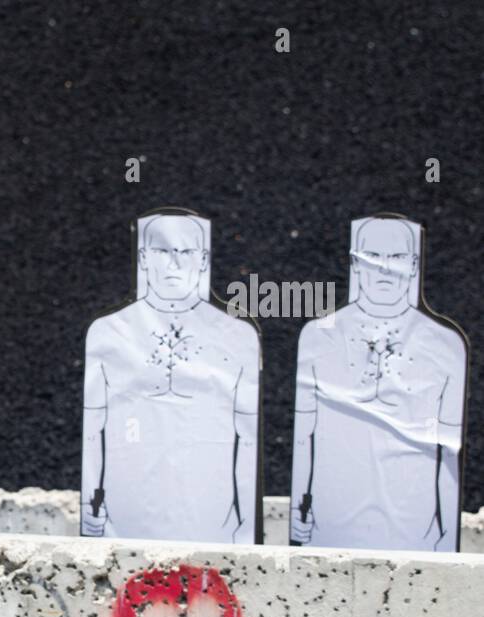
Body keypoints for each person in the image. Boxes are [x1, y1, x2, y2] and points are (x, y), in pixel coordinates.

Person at [81, 213, 260, 543]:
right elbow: (94, 432)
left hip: (213, 524)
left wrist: (245, 527)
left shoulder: (238, 338)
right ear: (144, 258)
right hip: (124, 526)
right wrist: (91, 510)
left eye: (186, 252)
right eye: (163, 251)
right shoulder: (107, 334)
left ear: (203, 259)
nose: (174, 263)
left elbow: (246, 441)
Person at [290, 216, 465, 550]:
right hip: (329, 531)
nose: (385, 268)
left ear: (414, 265)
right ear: (356, 263)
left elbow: (448, 452)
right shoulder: (318, 338)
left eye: (397, 257)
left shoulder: (445, 347)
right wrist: (301, 512)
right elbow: (304, 438)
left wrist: (446, 536)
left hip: (416, 532)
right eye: (373, 257)